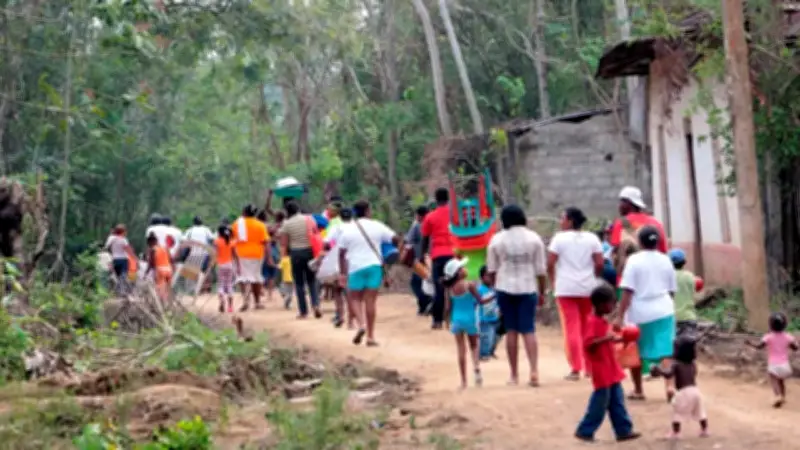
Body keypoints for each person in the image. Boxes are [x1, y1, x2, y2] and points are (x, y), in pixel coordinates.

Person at [486, 204, 547, 387]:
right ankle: (534, 371)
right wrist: (542, 291)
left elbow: (491, 270)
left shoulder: (497, 239)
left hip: (504, 287)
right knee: (528, 329)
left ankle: (514, 374)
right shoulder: (534, 238)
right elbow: (541, 271)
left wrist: (495, 288)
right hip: (528, 287)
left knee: (511, 330)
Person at [616, 225, 677, 401]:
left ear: (640, 242)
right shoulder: (666, 260)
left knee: (635, 351)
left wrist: (620, 315)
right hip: (664, 309)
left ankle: (638, 389)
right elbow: (671, 290)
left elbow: (627, 291)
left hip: (639, 312)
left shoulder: (633, 261)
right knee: (666, 350)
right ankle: (670, 386)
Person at [575, 283, 640, 443]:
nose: (613, 306)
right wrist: (606, 338)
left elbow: (606, 340)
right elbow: (588, 344)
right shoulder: (593, 322)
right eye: (611, 302)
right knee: (600, 402)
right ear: (601, 304)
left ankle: (623, 430)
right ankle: (585, 430)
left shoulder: (602, 321)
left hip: (611, 368)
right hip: (601, 369)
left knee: (617, 401)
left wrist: (621, 339)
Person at [547, 207, 604, 380]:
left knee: (571, 328)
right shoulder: (592, 238)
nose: (561, 221)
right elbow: (599, 263)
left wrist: (553, 281)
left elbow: (550, 263)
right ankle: (589, 367)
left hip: (565, 288)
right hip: (587, 288)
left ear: (570, 221)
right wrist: (594, 278)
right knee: (587, 327)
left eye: (563, 218)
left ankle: (575, 368)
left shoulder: (559, 238)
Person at [338, 200, 398, 346]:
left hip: (355, 267)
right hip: (374, 266)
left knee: (354, 299)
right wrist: (388, 249)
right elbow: (395, 238)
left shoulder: (348, 229)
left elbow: (341, 253)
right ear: (367, 211)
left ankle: (361, 324)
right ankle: (370, 337)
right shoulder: (377, 225)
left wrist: (342, 274)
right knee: (370, 301)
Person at [651, 336, 709, 439]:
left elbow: (668, 374)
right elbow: (693, 375)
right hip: (695, 391)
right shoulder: (693, 364)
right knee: (700, 412)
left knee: (677, 413)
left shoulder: (676, 364)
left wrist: (659, 371)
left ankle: (676, 433)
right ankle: (705, 430)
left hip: (683, 392)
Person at [442, 258, 487, 389]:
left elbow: (447, 307)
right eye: (462, 268)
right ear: (458, 273)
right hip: (470, 319)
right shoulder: (469, 285)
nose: (465, 269)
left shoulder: (449, 289)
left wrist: (447, 321)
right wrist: (494, 296)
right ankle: (476, 369)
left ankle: (463, 381)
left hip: (456, 320)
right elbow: (481, 301)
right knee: (474, 345)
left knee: (461, 349)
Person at [279, 200, 322, 319]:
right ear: (298, 209)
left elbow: (284, 243)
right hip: (310, 252)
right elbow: (316, 234)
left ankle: (303, 311)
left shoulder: (286, 224)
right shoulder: (309, 219)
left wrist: (283, 258)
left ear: (287, 211)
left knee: (299, 283)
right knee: (312, 280)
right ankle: (316, 304)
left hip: (296, 254)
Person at [419, 188, 455, 329]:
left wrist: (422, 255)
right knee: (455, 286)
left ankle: (437, 321)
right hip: (454, 254)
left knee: (439, 289)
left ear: (436, 199)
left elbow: (425, 238)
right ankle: (454, 318)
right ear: (448, 198)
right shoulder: (455, 214)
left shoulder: (430, 217)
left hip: (438, 256)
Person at [746, 312, 798, 407]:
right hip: (785, 365)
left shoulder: (768, 337)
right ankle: (783, 397)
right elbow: (795, 348)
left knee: (774, 381)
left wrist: (750, 343)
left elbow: (759, 346)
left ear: (770, 324)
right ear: (785, 324)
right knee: (781, 381)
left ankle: (777, 396)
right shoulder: (788, 336)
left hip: (773, 365)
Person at [232, 205, 272, 311]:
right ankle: (257, 302)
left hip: (241, 254)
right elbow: (266, 242)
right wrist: (269, 258)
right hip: (257, 254)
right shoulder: (260, 225)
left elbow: (232, 241)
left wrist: (232, 256)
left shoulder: (237, 224)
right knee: (256, 277)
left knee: (243, 277)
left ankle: (246, 301)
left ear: (244, 212)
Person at [319, 206, 351, 328]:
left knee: (337, 289)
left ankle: (340, 315)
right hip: (354, 261)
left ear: (340, 217)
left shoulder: (336, 227)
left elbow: (326, 243)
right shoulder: (356, 227)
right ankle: (352, 317)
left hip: (339, 260)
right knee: (350, 290)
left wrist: (324, 254)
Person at [406, 205, 432, 315]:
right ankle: (429, 303)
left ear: (419, 216)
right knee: (430, 282)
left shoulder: (417, 226)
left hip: (420, 259)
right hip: (433, 257)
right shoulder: (433, 223)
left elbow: (408, 240)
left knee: (416, 282)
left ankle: (424, 304)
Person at [669, 248, 699, 337]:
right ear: (684, 262)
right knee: (688, 344)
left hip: (672, 319)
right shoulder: (690, 276)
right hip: (689, 318)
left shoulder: (668, 276)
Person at [105, 224, 136, 295]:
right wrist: (135, 258)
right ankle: (122, 291)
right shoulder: (124, 240)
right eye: (125, 231)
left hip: (115, 260)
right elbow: (128, 250)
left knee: (118, 276)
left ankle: (119, 290)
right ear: (123, 232)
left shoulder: (111, 238)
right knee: (123, 275)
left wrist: (111, 253)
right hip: (124, 260)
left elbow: (106, 247)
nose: (126, 233)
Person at [477, 265, 500, 360]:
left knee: (494, 337)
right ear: (482, 277)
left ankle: (490, 351)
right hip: (484, 318)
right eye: (488, 275)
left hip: (494, 317)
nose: (490, 278)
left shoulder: (494, 289)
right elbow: (479, 301)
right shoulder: (480, 289)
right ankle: (483, 353)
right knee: (486, 337)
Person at [214, 225, 239, 313]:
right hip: (229, 265)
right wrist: (238, 265)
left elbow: (215, 253)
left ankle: (222, 300)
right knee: (229, 285)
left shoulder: (217, 241)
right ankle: (230, 307)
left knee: (221, 284)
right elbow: (235, 255)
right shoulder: (231, 242)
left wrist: (212, 263)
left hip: (220, 265)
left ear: (219, 233)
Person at [144, 232, 173, 302]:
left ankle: (161, 303)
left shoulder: (152, 250)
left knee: (160, 290)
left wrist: (145, 273)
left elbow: (150, 264)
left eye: (148, 244)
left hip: (160, 270)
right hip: (169, 270)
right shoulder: (165, 248)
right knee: (167, 289)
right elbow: (171, 260)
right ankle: (168, 303)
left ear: (150, 242)